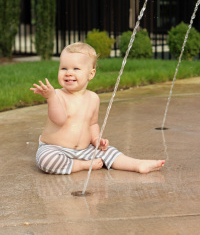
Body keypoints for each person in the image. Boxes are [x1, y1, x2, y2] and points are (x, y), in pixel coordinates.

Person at [30, 42, 165, 175]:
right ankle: (81, 165)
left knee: (109, 152)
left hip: (84, 150)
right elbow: (59, 120)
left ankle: (137, 164)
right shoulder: (58, 95)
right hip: (55, 148)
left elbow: (92, 123)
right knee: (46, 160)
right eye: (64, 68)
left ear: (91, 74)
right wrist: (51, 97)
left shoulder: (93, 98)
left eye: (76, 69)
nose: (68, 73)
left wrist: (96, 139)